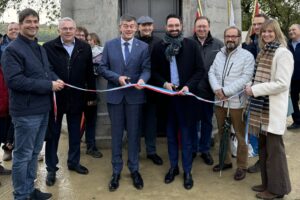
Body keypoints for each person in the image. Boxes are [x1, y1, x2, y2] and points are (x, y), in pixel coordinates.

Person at [1, 8, 64, 200]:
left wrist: (57, 80)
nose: (33, 25)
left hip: (43, 109)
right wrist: (49, 85)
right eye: (28, 21)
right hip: (26, 112)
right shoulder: (12, 50)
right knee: (22, 155)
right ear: (20, 25)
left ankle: (29, 190)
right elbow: (15, 81)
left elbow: (46, 71)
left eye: (36, 21)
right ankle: (21, 195)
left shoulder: (38, 47)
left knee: (35, 152)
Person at [151, 14, 204, 190]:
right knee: (171, 136)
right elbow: (154, 72)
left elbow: (200, 70)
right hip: (167, 100)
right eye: (170, 26)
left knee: (187, 137)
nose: (173, 28)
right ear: (166, 27)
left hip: (186, 99)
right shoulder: (159, 47)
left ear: (181, 26)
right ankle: (173, 167)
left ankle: (187, 171)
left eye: (176, 25)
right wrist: (164, 83)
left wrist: (188, 86)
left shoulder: (192, 45)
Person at [98, 15, 150, 191]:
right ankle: (116, 170)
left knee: (134, 135)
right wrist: (117, 78)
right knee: (117, 135)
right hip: (116, 97)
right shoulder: (110, 45)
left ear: (136, 28)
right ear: (120, 27)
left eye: (132, 26)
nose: (128, 29)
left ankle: (134, 169)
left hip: (135, 98)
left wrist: (143, 80)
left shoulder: (143, 47)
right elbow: (102, 68)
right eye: (125, 26)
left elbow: (147, 69)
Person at [44, 17, 96, 186]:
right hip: (56, 99)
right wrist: (54, 80)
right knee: (53, 135)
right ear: (59, 30)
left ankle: (73, 163)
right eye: (64, 28)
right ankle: (51, 168)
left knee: (75, 134)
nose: (67, 31)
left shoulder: (85, 47)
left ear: (75, 30)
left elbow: (90, 74)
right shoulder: (48, 47)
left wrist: (91, 96)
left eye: (70, 28)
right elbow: (46, 70)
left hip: (77, 98)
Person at [245, 19, 293, 199]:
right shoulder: (264, 52)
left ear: (277, 33)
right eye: (263, 32)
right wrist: (251, 85)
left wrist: (255, 90)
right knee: (264, 150)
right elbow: (260, 78)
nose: (266, 35)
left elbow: (281, 84)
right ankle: (267, 184)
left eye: (270, 32)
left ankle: (277, 189)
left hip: (272, 110)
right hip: (262, 110)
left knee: (275, 152)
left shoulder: (282, 53)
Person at [208, 26, 255, 181]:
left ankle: (242, 166)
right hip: (220, 102)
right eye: (228, 36)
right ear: (224, 37)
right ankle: (225, 161)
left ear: (239, 38)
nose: (230, 39)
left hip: (237, 103)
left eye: (234, 36)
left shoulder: (247, 56)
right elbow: (211, 72)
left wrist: (226, 91)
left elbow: (246, 77)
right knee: (222, 133)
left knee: (240, 136)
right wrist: (217, 89)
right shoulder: (219, 54)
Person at [190, 16, 223, 165]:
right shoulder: (187, 43)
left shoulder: (218, 44)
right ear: (195, 28)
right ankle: (192, 149)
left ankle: (204, 150)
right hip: (191, 91)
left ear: (209, 27)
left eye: (204, 26)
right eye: (199, 26)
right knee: (192, 122)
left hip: (209, 91)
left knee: (207, 122)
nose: (202, 29)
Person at [242, 13, 269, 174]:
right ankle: (260, 156)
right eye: (255, 24)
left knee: (266, 130)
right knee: (254, 125)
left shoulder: (276, 45)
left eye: (260, 24)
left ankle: (265, 162)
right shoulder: (250, 42)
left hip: (267, 94)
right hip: (252, 91)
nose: (257, 27)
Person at [136, 15, 163, 165]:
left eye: (149, 25)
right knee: (135, 122)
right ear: (138, 27)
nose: (146, 28)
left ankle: (151, 151)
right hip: (136, 88)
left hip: (153, 89)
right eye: (143, 25)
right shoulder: (132, 42)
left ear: (153, 27)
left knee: (151, 122)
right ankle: (136, 151)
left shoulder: (159, 42)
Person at [76, 29, 103, 158]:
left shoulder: (93, 53)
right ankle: (74, 148)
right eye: (78, 35)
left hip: (91, 92)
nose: (81, 38)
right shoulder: (69, 52)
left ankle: (91, 146)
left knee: (91, 120)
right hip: (74, 94)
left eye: (83, 36)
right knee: (75, 122)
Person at [0, 22, 20, 162]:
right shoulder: (2, 47)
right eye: (10, 29)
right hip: (5, 88)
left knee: (18, 121)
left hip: (21, 88)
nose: (13, 31)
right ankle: (7, 149)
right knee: (6, 121)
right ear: (7, 32)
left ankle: (19, 149)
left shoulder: (29, 44)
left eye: (15, 29)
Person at [287, 24, 300, 130]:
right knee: (294, 101)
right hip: (292, 79)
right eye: (290, 30)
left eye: (293, 29)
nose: (291, 31)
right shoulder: (287, 45)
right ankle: (297, 122)